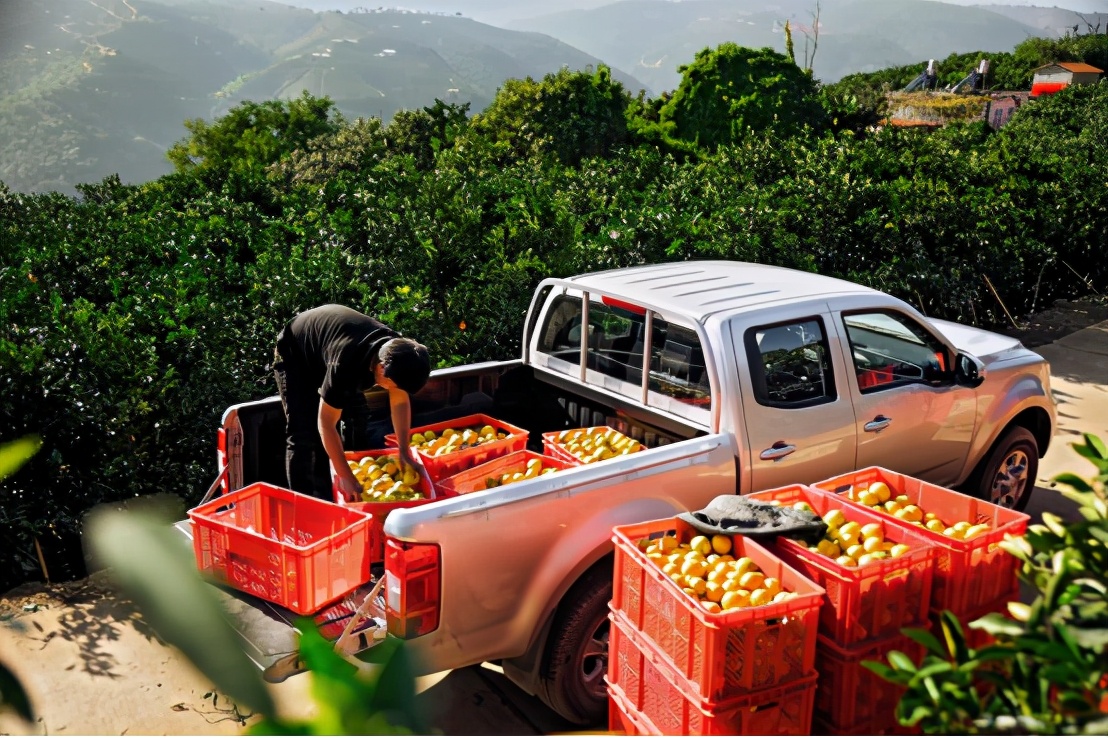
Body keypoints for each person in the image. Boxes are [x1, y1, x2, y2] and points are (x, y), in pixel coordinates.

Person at [272, 305, 430, 501]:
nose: (394, 390)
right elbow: (326, 423)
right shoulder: (345, 364)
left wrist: (404, 451)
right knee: (303, 433)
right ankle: (303, 502)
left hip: (334, 351)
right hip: (295, 352)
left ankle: (347, 483)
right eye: (395, 385)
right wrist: (344, 474)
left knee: (358, 418)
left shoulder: (399, 352)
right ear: (381, 369)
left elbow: (399, 402)